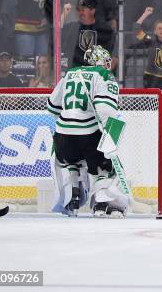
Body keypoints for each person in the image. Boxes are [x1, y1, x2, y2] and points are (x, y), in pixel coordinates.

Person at [47, 45, 129, 218]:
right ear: (98, 62)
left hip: (62, 138)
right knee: (105, 169)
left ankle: (73, 196)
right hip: (88, 136)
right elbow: (105, 110)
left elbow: (52, 107)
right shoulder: (104, 75)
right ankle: (102, 205)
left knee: (73, 161)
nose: (108, 65)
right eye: (105, 61)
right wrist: (110, 136)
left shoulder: (70, 73)